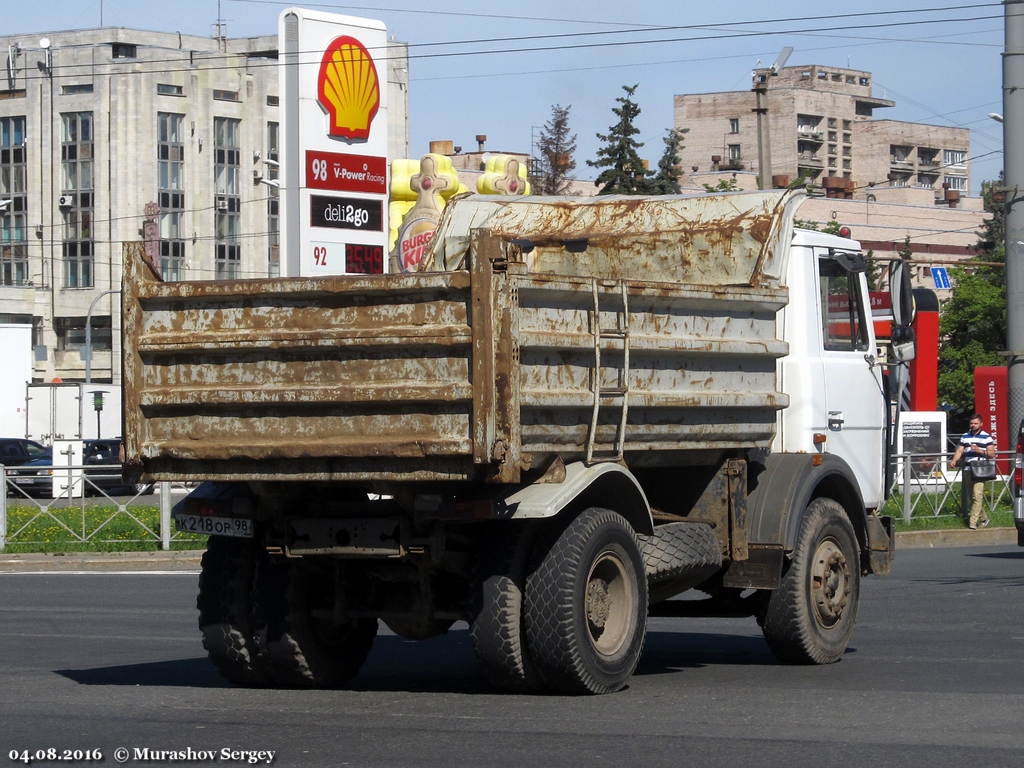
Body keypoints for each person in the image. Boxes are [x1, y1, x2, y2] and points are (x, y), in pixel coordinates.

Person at [950, 414, 996, 529]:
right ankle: (984, 518)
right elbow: (960, 450)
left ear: (981, 424)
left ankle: (972, 522)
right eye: (971, 423)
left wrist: (979, 450)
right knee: (972, 497)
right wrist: (954, 460)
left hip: (980, 469)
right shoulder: (965, 436)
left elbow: (991, 454)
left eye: (976, 423)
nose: (973, 425)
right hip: (968, 468)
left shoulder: (986, 437)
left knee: (977, 495)